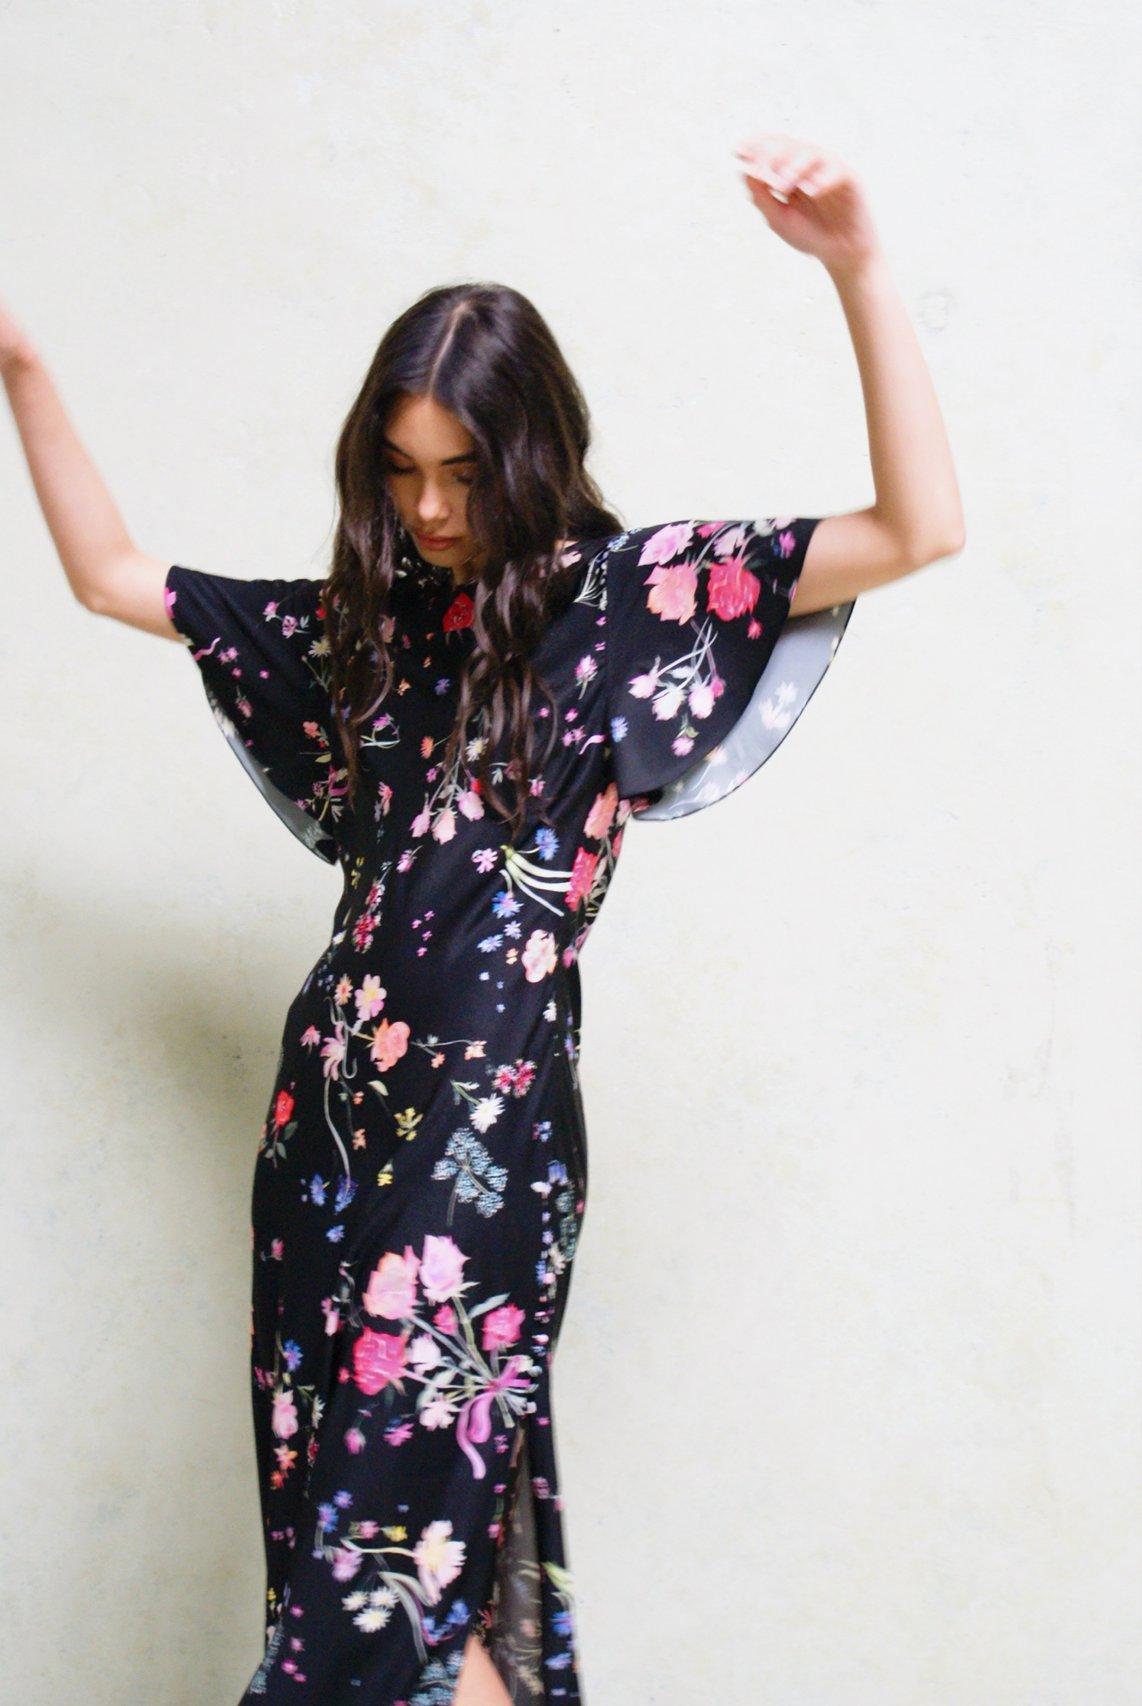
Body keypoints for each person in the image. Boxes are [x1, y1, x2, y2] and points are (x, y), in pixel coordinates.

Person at [2, 131, 963, 1705]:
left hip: (490, 1134)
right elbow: (111, 573)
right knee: (399, 1589)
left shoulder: (640, 597)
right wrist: (24, 361)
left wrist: (859, 270)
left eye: (460, 470)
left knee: (369, 1604)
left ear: (531, 450)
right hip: (326, 1126)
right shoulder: (367, 629)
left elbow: (919, 528)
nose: (431, 509)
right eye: (401, 472)